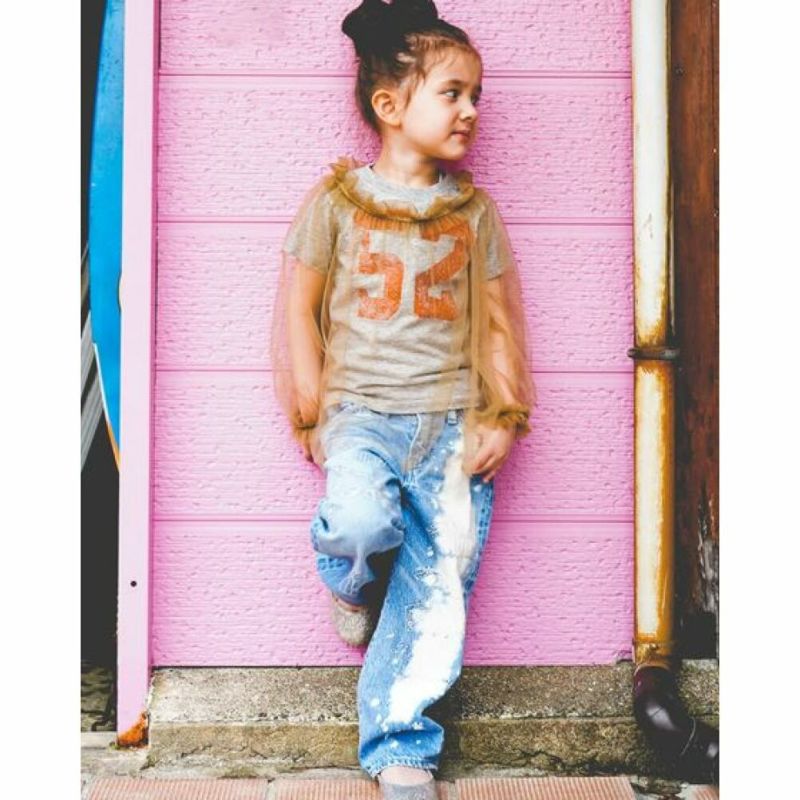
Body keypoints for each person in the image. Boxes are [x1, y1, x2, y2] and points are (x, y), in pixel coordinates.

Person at [270, 1, 535, 797]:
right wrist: (311, 407)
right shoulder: (337, 204)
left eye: (476, 95)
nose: (470, 110)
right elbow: (298, 310)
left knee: (437, 586)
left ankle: (400, 744)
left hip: (452, 423)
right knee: (359, 522)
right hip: (362, 414)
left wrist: (502, 413)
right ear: (390, 105)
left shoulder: (473, 214)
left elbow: (498, 322)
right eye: (452, 93)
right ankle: (351, 580)